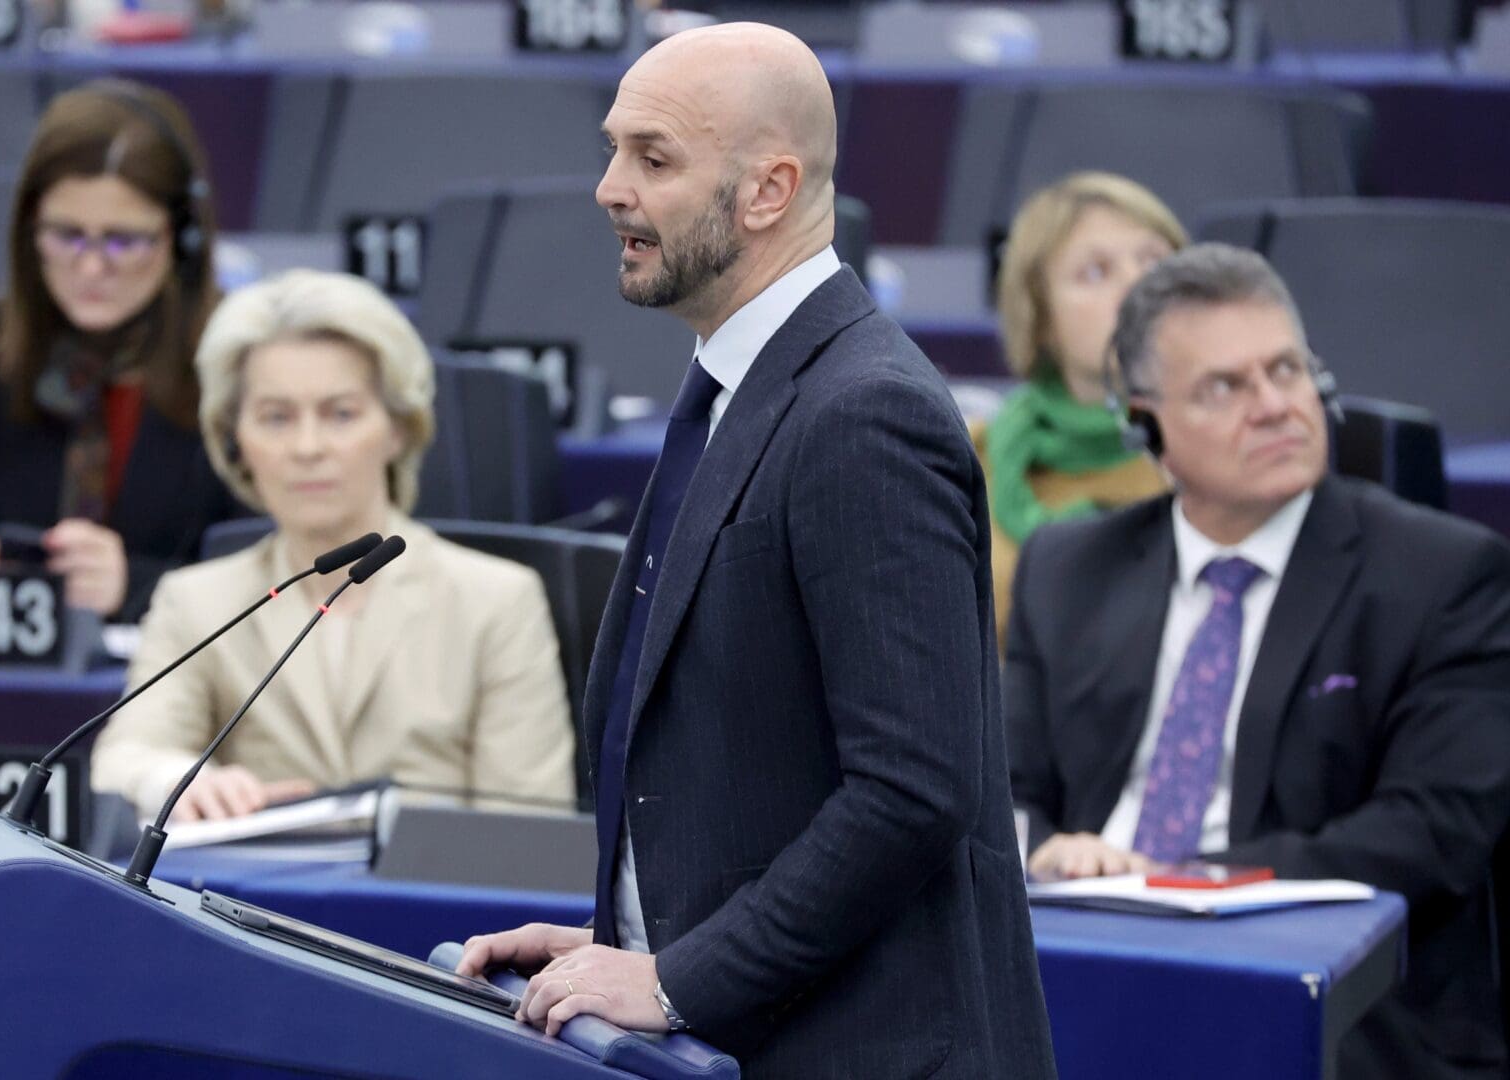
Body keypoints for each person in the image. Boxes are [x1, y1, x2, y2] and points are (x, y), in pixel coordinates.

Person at [456, 24, 1056, 1078]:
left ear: (769, 190)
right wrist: (636, 944)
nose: (608, 189)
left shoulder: (864, 412)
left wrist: (677, 979)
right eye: (612, 150)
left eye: (653, 158)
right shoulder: (744, 392)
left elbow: (911, 792)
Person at [1008, 243, 1510, 1079]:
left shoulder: (1444, 576)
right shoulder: (1069, 570)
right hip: (1082, 967)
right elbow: (1001, 784)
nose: (1276, 405)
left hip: (1328, 1000)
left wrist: (1177, 884)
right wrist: (1048, 850)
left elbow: (1433, 830)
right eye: (1225, 387)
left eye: (1287, 370)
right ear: (1147, 428)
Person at [90, 269, 575, 822]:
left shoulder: (496, 600)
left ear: (398, 428)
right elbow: (123, 758)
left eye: (340, 414)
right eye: (275, 418)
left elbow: (531, 828)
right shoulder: (198, 602)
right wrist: (170, 780)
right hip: (243, 902)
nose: (307, 446)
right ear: (236, 441)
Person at [0, 79, 238, 622]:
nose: (91, 267)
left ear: (181, 240)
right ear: (29, 233)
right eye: (66, 235)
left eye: (124, 240)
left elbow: (280, 587)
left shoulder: (243, 363)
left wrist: (136, 588)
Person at [976, 172, 1183, 636]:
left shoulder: (1218, 459)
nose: (1138, 287)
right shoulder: (972, 458)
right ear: (1040, 316)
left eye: (1154, 260)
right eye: (1096, 271)